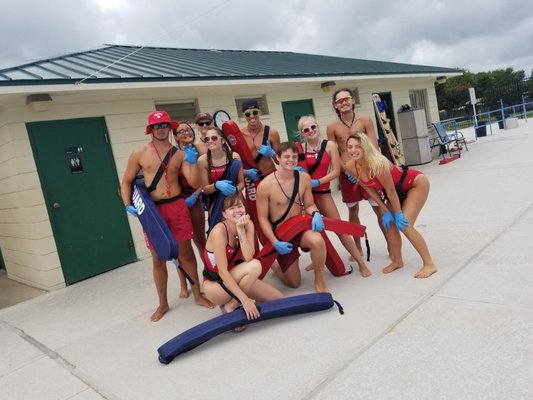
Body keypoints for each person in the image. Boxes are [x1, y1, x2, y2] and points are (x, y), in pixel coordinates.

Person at [121, 111, 214, 322]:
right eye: (156, 126)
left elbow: (192, 182)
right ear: (150, 129)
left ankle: (198, 295)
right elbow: (126, 181)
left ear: (169, 127)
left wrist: (194, 163)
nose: (161, 129)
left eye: (164, 125)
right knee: (158, 258)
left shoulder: (179, 153)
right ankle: (163, 304)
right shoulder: (139, 153)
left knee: (187, 254)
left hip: (177, 207)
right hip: (154, 212)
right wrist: (128, 205)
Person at [344, 133, 437, 279]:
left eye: (358, 147)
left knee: (405, 225)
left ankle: (429, 264)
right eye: (350, 147)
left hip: (414, 184)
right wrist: (385, 210)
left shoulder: (377, 163)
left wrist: (398, 213)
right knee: (389, 224)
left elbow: (391, 190)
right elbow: (369, 189)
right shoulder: (350, 166)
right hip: (393, 193)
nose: (353, 150)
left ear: (365, 148)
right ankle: (397, 260)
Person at [296, 115, 371, 277]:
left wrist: (317, 182)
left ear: (317, 126)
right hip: (307, 197)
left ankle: (361, 263)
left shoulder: (329, 145)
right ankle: (316, 260)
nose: (310, 131)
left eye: (313, 127)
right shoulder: (301, 149)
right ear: (302, 133)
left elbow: (336, 171)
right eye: (306, 130)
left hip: (322, 193)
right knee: (314, 233)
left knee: (340, 229)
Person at [202, 194, 283, 331]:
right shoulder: (219, 232)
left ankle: (233, 301)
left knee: (278, 299)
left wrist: (241, 230)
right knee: (255, 266)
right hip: (215, 286)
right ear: (224, 214)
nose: (238, 210)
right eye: (232, 208)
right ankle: (230, 307)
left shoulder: (248, 224)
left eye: (240, 206)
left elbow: (248, 257)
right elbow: (222, 272)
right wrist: (245, 300)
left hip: (237, 277)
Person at [256, 142, 328, 292]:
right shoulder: (265, 185)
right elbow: (262, 218)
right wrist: (275, 242)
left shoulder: (304, 178)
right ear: (278, 158)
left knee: (317, 240)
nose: (291, 160)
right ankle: (275, 266)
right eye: (286, 156)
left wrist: (316, 214)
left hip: (299, 228)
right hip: (281, 233)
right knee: (294, 283)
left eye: (294, 157)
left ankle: (319, 281)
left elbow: (309, 205)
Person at [326, 88, 388, 257]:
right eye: (340, 101)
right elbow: (333, 152)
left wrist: (365, 168)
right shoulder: (332, 127)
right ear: (335, 105)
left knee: (379, 209)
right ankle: (357, 248)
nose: (344, 103)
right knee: (353, 211)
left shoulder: (365, 120)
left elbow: (374, 146)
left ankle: (391, 245)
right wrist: (347, 171)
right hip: (347, 174)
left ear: (353, 101)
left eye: (346, 99)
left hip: (367, 170)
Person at [172, 122, 206, 298]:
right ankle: (184, 284)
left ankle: (209, 276)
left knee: (201, 241)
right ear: (176, 137)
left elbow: (204, 176)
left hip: (194, 198)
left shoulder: (200, 150)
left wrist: (196, 194)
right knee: (181, 248)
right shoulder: (175, 155)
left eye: (188, 129)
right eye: (181, 131)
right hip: (178, 203)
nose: (186, 132)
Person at [197, 127, 245, 225]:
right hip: (216, 203)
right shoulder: (203, 161)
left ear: (222, 140)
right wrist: (216, 185)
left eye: (214, 138)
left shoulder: (234, 157)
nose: (210, 141)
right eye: (207, 139)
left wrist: (235, 190)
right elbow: (205, 189)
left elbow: (241, 183)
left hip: (235, 202)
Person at [240, 99, 281, 180]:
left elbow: (280, 161)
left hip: (270, 176)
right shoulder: (240, 135)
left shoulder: (272, 132)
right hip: (251, 179)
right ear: (244, 116)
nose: (252, 116)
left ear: (260, 113)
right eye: (248, 114)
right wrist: (245, 172)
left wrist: (272, 154)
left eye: (255, 112)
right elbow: (235, 163)